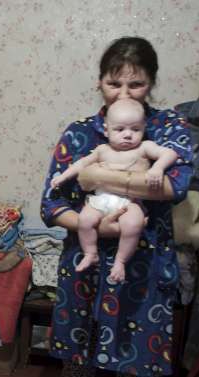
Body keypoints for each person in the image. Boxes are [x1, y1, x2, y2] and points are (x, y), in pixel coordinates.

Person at [37, 36, 192, 377]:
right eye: (113, 82)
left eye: (136, 83)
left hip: (144, 269)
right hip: (85, 265)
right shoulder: (80, 131)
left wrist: (97, 178)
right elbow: (51, 203)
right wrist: (97, 222)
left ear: (152, 83)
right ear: (99, 83)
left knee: (138, 373)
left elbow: (177, 185)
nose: (124, 91)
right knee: (76, 363)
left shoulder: (168, 127)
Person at [50, 98, 179, 282]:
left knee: (133, 225)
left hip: (130, 202)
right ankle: (90, 253)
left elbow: (170, 153)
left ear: (144, 128)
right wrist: (62, 177)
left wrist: (157, 168)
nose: (128, 135)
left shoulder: (144, 148)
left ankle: (120, 261)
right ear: (106, 130)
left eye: (135, 129)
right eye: (120, 129)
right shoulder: (102, 150)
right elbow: (81, 164)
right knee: (85, 220)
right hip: (101, 198)